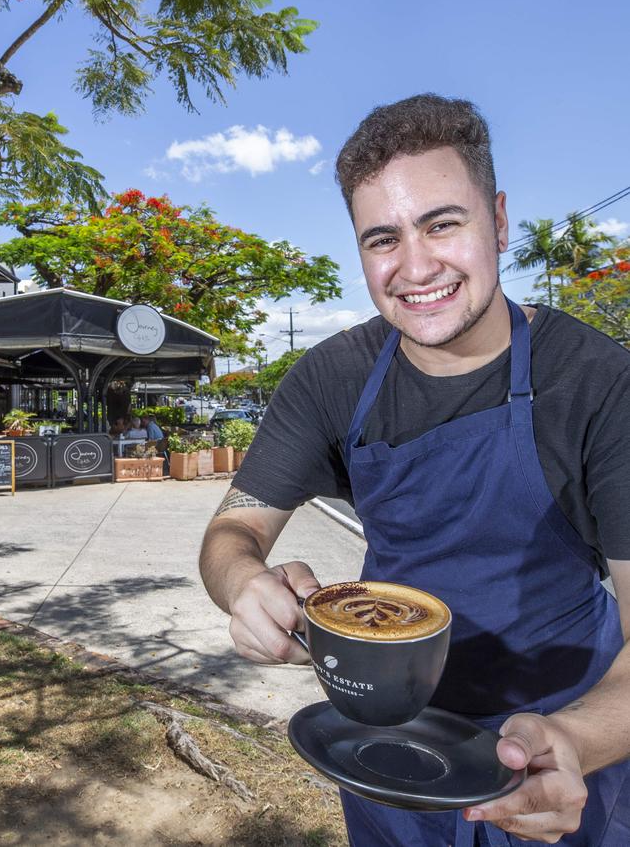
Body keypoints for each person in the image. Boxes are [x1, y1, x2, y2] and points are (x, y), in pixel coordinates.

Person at [199, 94, 630, 846]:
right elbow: (233, 527)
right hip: (386, 747)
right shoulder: (332, 378)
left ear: (497, 220)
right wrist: (244, 584)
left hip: (558, 755)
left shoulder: (597, 382)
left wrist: (574, 739)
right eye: (382, 238)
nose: (415, 265)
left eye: (442, 223)